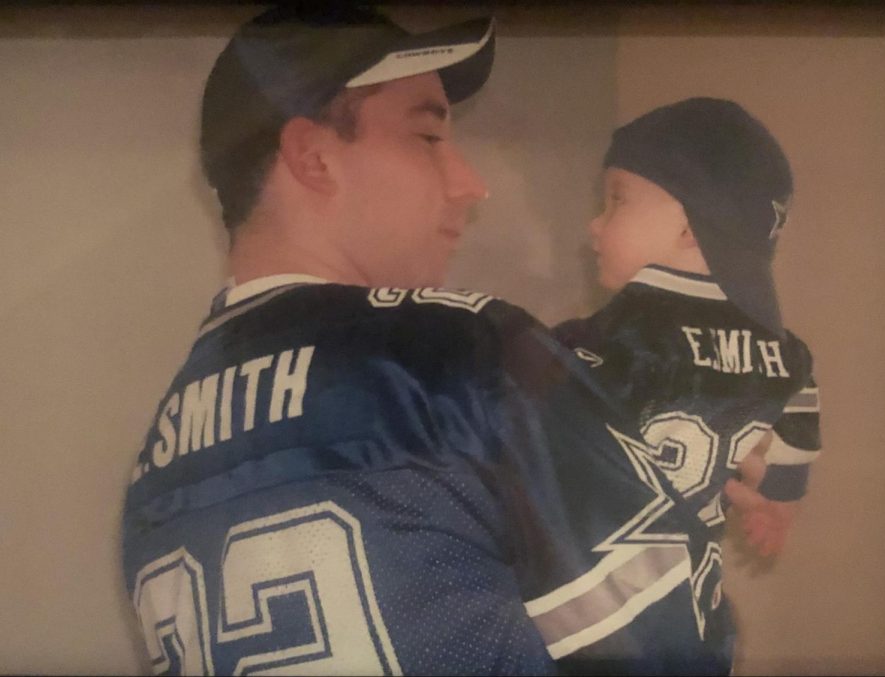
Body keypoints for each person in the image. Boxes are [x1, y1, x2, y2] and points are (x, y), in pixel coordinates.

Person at [121, 8, 740, 675]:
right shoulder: (460, 351)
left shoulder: (154, 467)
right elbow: (675, 651)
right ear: (312, 156)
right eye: (427, 136)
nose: (470, 184)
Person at [555, 97, 822, 561]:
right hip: (689, 585)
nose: (594, 224)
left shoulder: (628, 330)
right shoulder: (785, 351)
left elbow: (534, 413)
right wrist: (781, 499)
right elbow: (801, 422)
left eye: (616, 199)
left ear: (691, 230)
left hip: (599, 579)